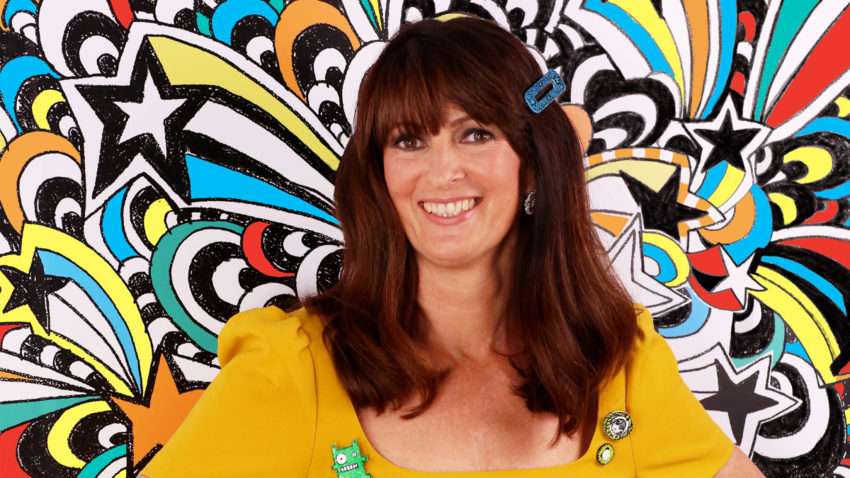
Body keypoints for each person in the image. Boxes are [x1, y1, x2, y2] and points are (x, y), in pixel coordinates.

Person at [141, 16, 765, 477]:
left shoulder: (616, 361)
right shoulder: (291, 367)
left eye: (475, 134)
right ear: (379, 175)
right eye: (409, 140)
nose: (442, 173)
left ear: (532, 162)